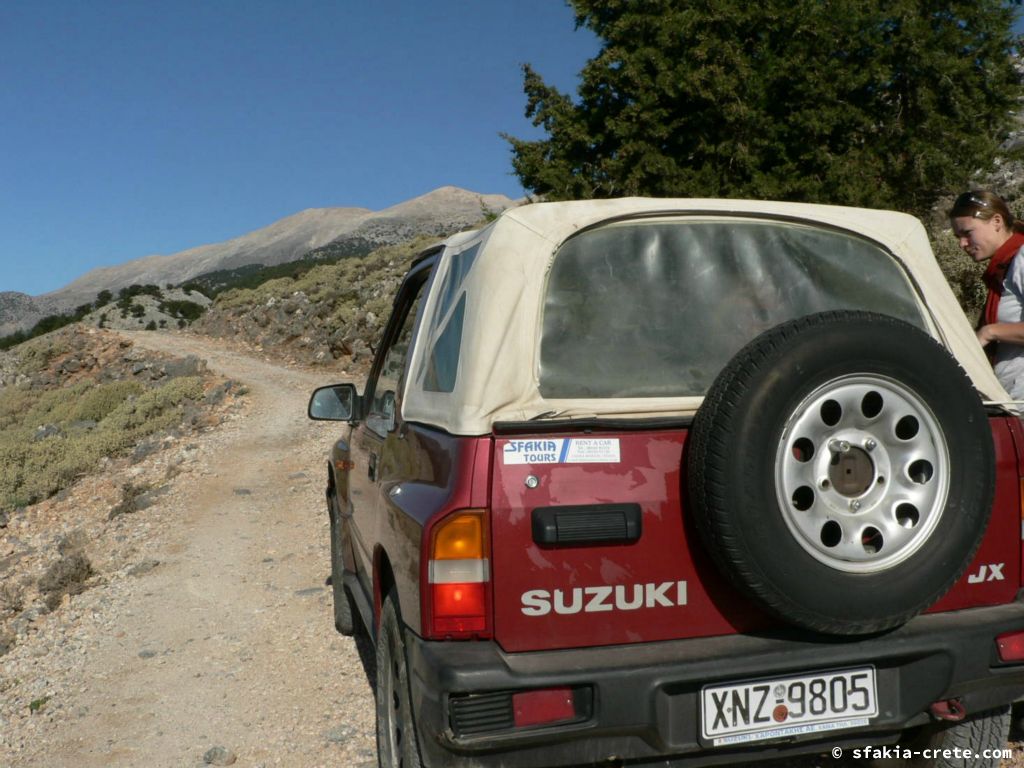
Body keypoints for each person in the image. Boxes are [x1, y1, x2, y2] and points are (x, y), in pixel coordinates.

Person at [949, 190, 1024, 399]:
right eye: (958, 237)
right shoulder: (1002, 269)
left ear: (996, 221)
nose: (962, 244)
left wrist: (990, 332)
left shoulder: (1021, 259)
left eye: (967, 233)